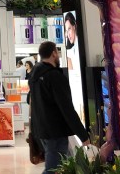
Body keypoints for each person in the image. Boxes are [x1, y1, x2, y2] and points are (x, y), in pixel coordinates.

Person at [29, 41, 90, 174]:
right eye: (57, 52)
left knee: (61, 167)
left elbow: (32, 102)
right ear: (53, 54)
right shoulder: (54, 76)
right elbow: (66, 108)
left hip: (41, 130)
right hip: (55, 132)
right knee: (53, 170)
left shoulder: (34, 75)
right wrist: (83, 135)